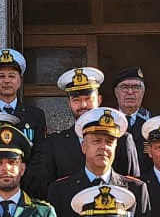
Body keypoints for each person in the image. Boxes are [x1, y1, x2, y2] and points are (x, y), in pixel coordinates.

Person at [47, 106, 155, 217]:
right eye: (96, 141)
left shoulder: (135, 189)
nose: (103, 147)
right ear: (84, 147)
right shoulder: (61, 190)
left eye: (109, 142)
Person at [25, 67, 139, 197]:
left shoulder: (122, 139)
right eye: (76, 100)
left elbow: (132, 188)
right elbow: (45, 191)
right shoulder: (54, 144)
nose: (83, 105)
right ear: (69, 104)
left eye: (88, 98)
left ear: (99, 100)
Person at [0, 48, 48, 148]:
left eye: (12, 76)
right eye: (1, 76)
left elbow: (41, 152)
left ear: (19, 81)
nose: (7, 81)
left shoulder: (35, 115)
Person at [111, 66, 151, 134]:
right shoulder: (107, 120)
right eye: (125, 87)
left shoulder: (152, 121)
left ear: (143, 92)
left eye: (136, 88)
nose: (130, 92)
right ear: (116, 92)